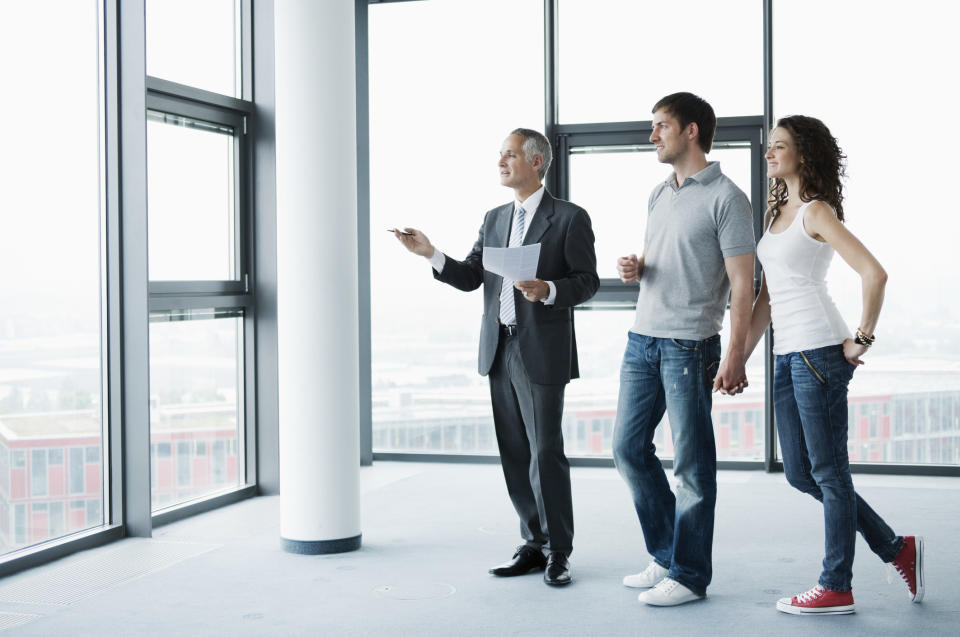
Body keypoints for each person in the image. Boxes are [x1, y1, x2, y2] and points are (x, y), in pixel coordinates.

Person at [393, 128, 599, 587]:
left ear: (537, 162)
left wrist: (548, 290)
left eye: (510, 155)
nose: (501, 162)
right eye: (500, 155)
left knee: (545, 452)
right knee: (514, 451)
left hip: (541, 350)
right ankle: (532, 541)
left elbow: (587, 281)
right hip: (499, 347)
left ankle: (559, 552)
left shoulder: (568, 218)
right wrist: (430, 253)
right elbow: (471, 276)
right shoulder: (493, 218)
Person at [743, 115, 923, 615]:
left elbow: (874, 273)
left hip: (819, 352)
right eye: (769, 147)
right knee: (801, 473)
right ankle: (895, 547)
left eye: (779, 146)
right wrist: (738, 354)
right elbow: (766, 299)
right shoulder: (776, 215)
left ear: (804, 154)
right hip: (785, 356)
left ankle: (836, 585)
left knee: (829, 473)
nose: (769, 154)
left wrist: (861, 338)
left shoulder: (816, 212)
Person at [612, 92, 756, 607]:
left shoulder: (728, 198)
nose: (653, 136)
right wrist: (636, 269)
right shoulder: (659, 193)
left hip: (689, 345)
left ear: (691, 131)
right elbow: (656, 260)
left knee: (692, 467)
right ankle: (668, 552)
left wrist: (737, 354)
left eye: (661, 126)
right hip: (641, 339)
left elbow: (744, 286)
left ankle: (690, 574)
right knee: (628, 450)